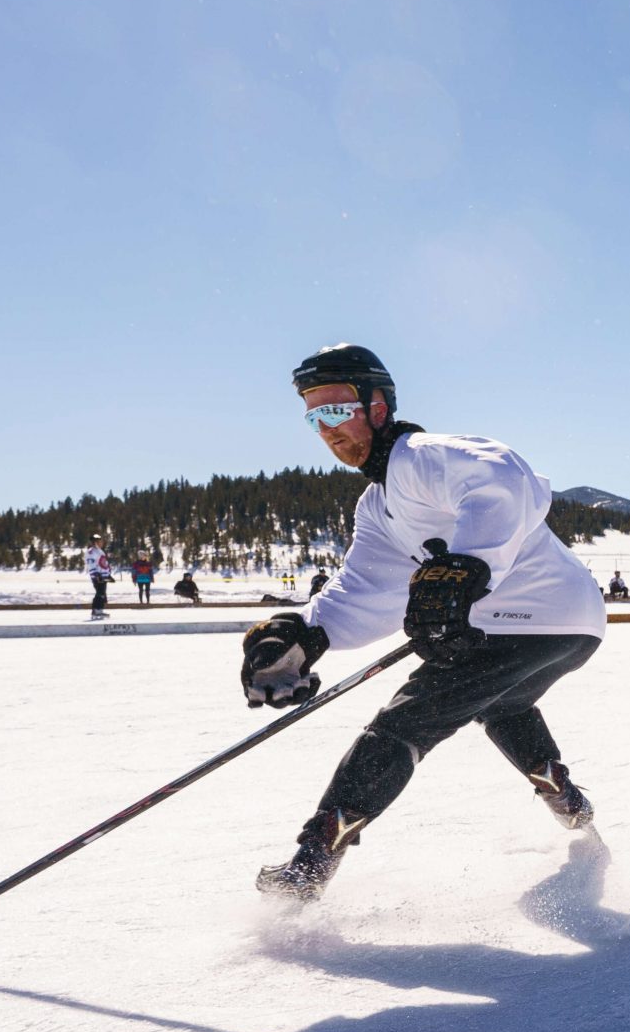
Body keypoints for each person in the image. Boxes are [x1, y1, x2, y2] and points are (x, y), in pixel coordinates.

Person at [240, 344, 607, 899]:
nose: (327, 429)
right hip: (572, 624)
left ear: (379, 406)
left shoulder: (420, 456)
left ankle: (309, 868)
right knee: (502, 704)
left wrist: (467, 568)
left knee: (402, 727)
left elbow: (502, 475)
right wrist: (306, 634)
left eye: (338, 410)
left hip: (524, 619)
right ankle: (568, 801)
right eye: (315, 417)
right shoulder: (376, 505)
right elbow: (366, 590)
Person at [83, 536, 114, 620]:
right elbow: (91, 564)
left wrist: (108, 574)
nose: (102, 543)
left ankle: (99, 610)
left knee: (102, 593)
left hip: (103, 575)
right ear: (95, 542)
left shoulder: (99, 551)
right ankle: (96, 610)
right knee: (100, 593)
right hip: (98, 576)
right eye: (100, 541)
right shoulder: (91, 552)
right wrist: (96, 575)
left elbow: (103, 564)